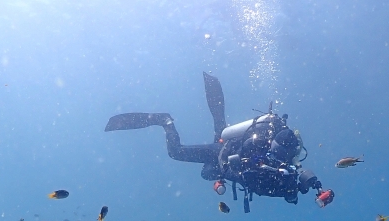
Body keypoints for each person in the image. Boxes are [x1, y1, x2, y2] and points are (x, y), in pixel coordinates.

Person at [105, 72, 334, 212]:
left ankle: (219, 127)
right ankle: (165, 120)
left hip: (230, 162)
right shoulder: (258, 146)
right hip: (225, 152)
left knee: (208, 168)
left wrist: (316, 188)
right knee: (178, 152)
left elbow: (304, 178)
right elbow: (241, 167)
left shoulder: (288, 167)